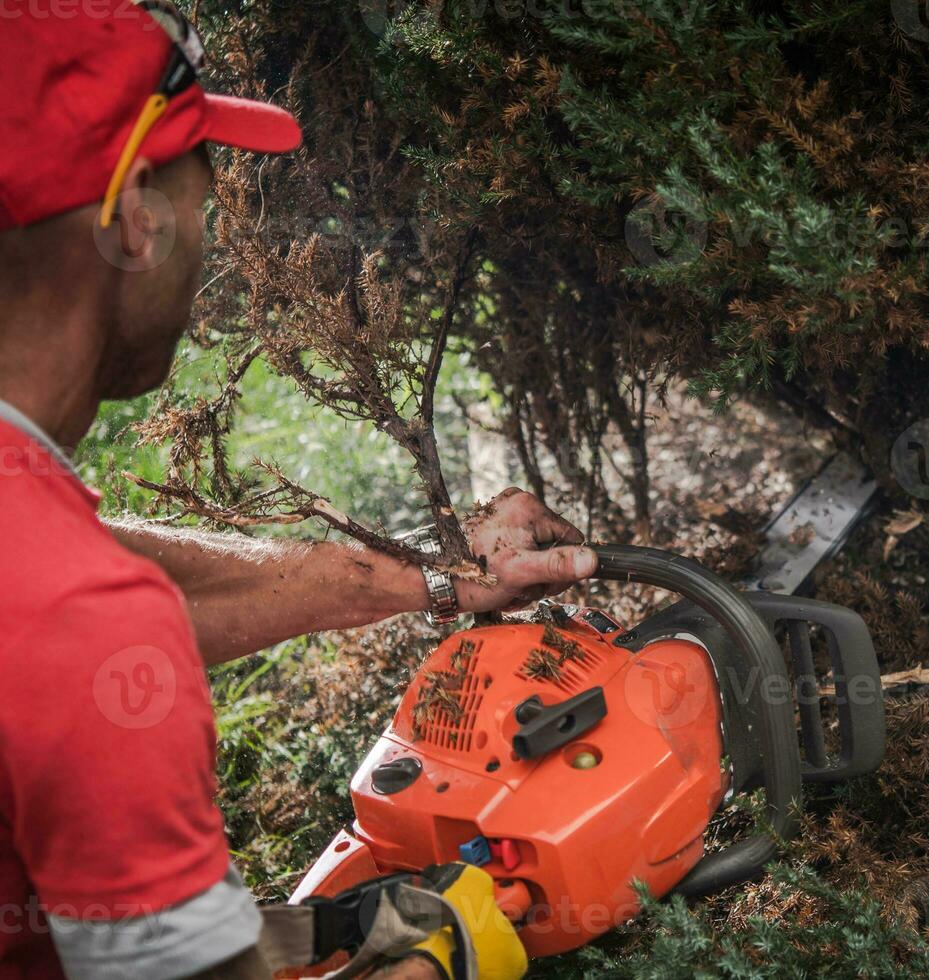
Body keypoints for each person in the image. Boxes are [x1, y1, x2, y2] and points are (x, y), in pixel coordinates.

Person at [0, 3, 596, 977]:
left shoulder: (42, 564)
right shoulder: (82, 619)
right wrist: (436, 961)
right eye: (208, 197)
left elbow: (87, 588)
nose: (213, 239)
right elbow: (82, 619)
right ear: (138, 213)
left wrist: (438, 582)